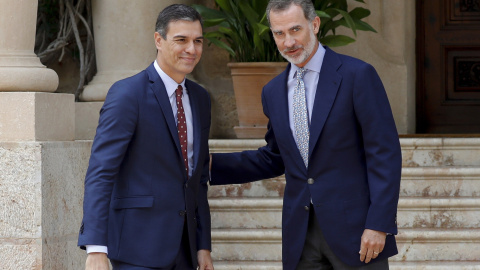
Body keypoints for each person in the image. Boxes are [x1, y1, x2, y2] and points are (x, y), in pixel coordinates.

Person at [210, 0, 402, 269]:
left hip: (356, 232)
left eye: (295, 30)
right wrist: (207, 165)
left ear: (315, 24)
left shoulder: (357, 75)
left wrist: (378, 224)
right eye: (279, 33)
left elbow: (385, 154)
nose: (288, 42)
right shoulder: (273, 91)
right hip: (300, 236)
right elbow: (274, 157)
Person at [78, 4, 213, 270]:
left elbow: (198, 180)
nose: (192, 49)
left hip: (185, 251)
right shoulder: (128, 94)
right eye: (181, 40)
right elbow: (101, 172)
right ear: (158, 40)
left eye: (197, 41)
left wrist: (203, 244)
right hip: (136, 250)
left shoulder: (201, 98)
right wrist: (95, 248)